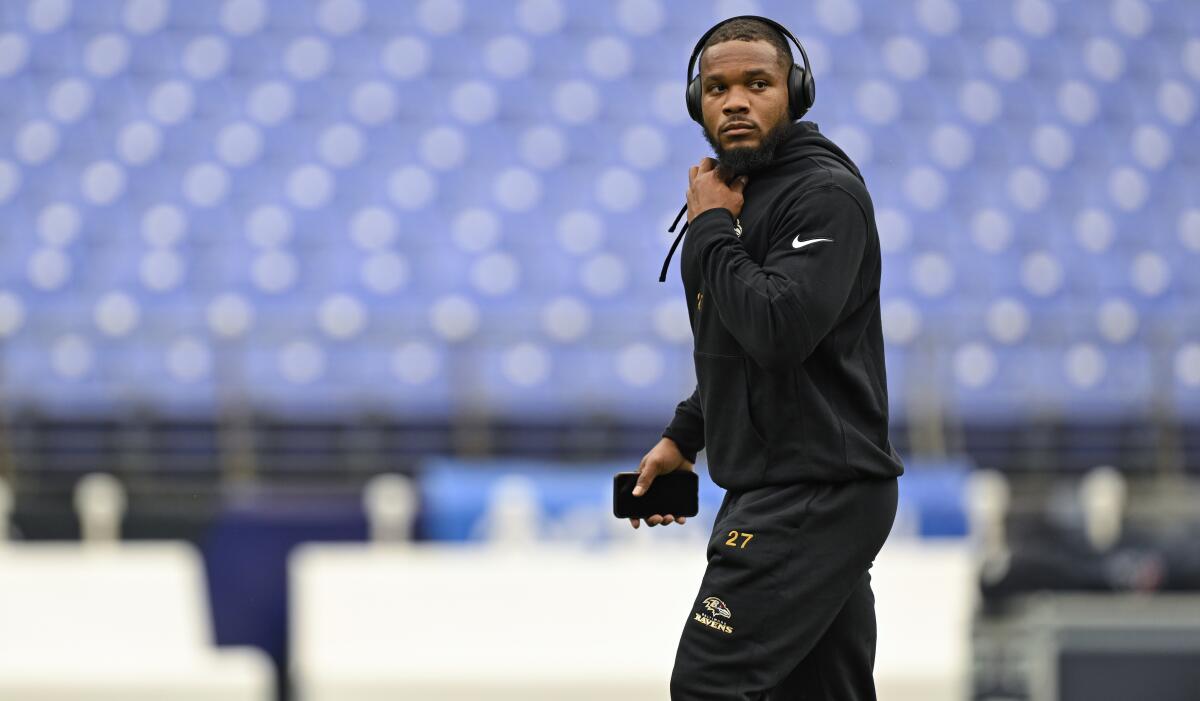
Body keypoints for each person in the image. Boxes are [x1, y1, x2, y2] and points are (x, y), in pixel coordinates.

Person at [628, 15, 905, 700]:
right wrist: (686, 433)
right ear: (698, 103)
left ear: (796, 92)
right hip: (789, 483)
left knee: (708, 683)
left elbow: (780, 328)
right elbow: (741, 346)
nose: (736, 101)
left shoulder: (823, 195)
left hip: (813, 490)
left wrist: (712, 228)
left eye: (758, 82)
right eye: (717, 87)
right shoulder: (735, 193)